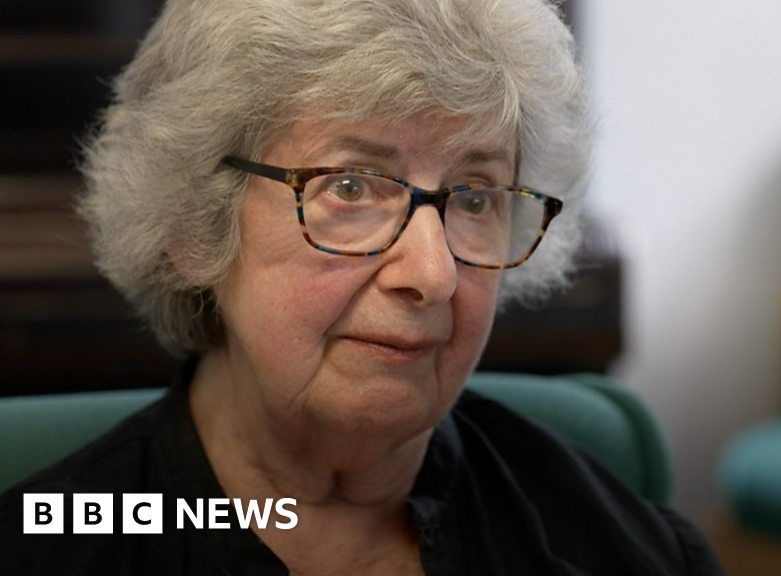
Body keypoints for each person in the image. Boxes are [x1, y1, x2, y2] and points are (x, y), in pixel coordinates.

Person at [0, 0, 722, 574]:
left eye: (476, 197)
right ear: (193, 225)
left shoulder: (630, 551)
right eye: (350, 186)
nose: (432, 275)